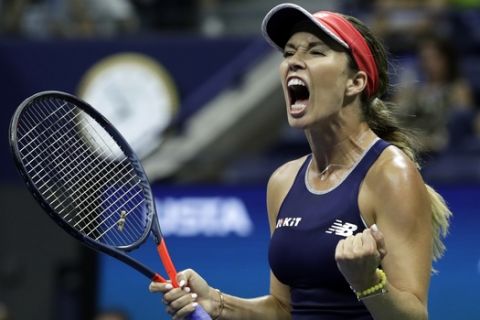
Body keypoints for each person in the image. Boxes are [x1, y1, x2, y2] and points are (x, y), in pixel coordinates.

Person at [149, 3, 452, 319]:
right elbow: (284, 309)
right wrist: (217, 301)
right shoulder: (283, 181)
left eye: (315, 52)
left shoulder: (390, 174)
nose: (294, 62)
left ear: (356, 82)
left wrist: (368, 283)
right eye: (289, 53)